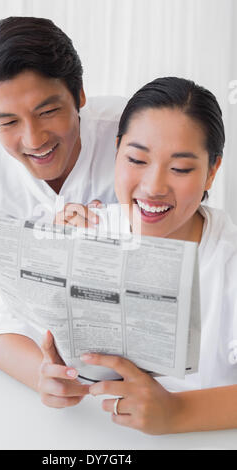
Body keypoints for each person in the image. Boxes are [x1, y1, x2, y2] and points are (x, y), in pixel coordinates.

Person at [0, 16, 126, 407]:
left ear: (79, 94)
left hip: (125, 312)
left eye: (48, 111)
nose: (34, 139)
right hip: (41, 317)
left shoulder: (131, 132)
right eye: (9, 122)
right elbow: (9, 282)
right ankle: (52, 380)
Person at [56, 77, 237, 434]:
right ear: (117, 150)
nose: (154, 187)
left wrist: (178, 412)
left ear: (212, 171)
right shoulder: (86, 228)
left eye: (181, 168)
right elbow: (4, 330)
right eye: (137, 159)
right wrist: (50, 376)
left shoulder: (228, 259)